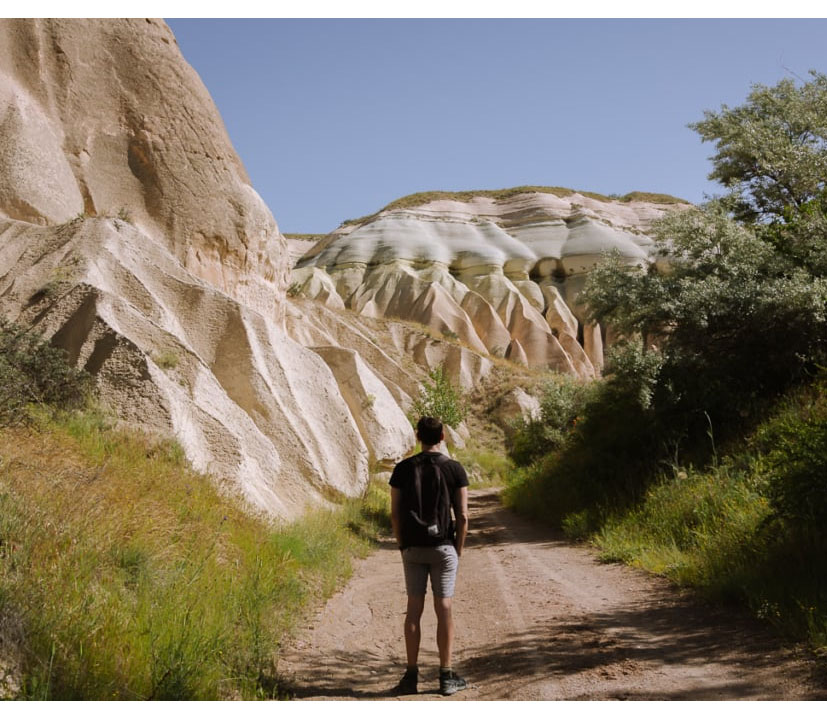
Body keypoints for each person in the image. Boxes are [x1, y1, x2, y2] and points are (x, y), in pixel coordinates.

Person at [389, 416, 470, 696]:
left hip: (412, 547)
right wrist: (457, 549)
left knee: (414, 608)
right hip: (444, 547)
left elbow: (395, 513)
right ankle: (446, 676)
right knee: (444, 607)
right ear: (443, 437)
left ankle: (410, 677)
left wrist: (402, 544)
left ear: (417, 436)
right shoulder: (455, 469)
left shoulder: (402, 469)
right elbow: (462, 515)